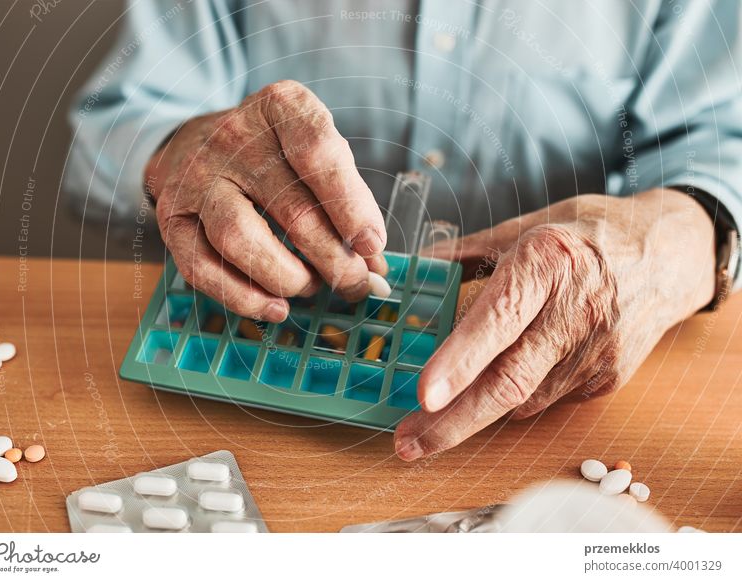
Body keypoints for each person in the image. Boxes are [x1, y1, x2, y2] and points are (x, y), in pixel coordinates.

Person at [65, 1, 742, 461]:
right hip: (252, 401)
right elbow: (108, 133)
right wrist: (179, 150)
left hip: (560, 427)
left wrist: (674, 240)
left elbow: (721, 141)